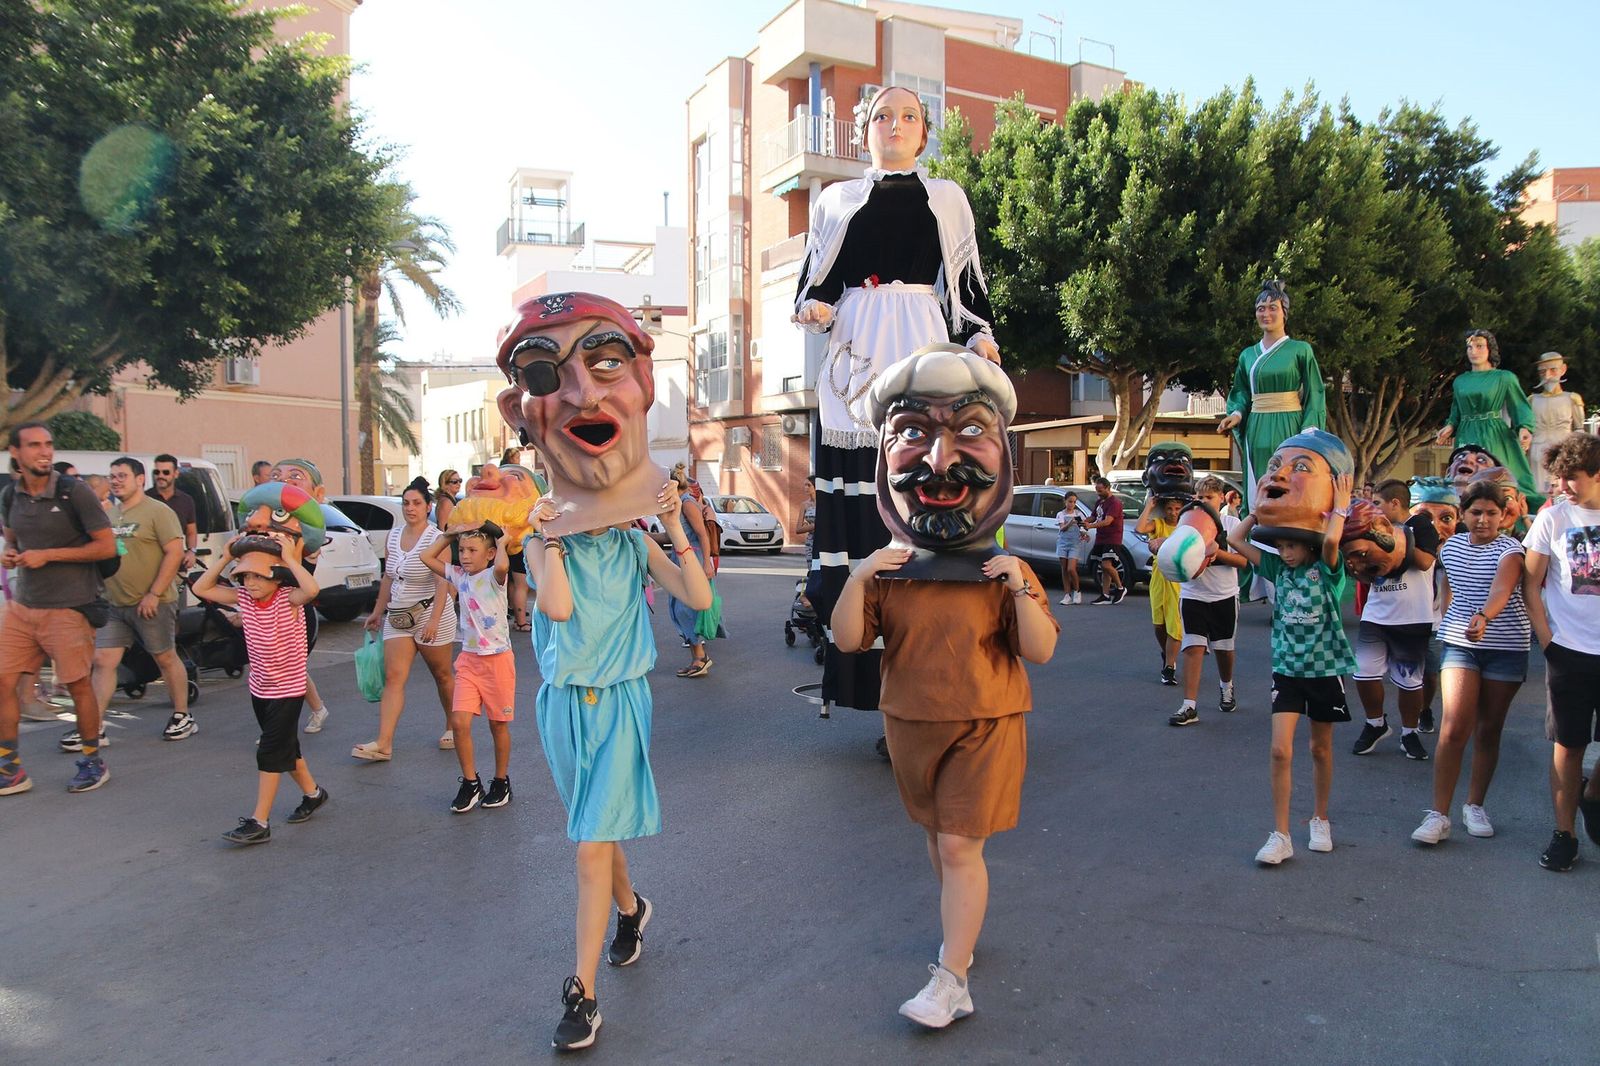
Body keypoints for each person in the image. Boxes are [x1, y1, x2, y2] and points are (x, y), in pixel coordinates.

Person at [832, 343, 1058, 1030]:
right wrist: (860, 575)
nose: (938, 461)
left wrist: (1018, 587)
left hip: (986, 722)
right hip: (910, 722)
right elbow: (848, 640)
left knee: (959, 845)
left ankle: (952, 979)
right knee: (938, 840)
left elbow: (1040, 649)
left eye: (968, 431)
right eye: (911, 432)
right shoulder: (892, 569)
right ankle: (962, 931)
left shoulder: (1004, 570)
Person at [792, 83, 999, 714]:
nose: (896, 124)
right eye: (883, 115)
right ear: (866, 131)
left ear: (924, 133)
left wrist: (980, 335)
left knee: (925, 484)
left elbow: (965, 286)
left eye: (908, 115)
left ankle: (930, 672)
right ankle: (864, 676)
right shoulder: (835, 200)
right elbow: (813, 286)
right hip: (856, 348)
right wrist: (818, 308)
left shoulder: (948, 198)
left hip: (921, 340)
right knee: (861, 504)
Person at [525, 481, 710, 1051]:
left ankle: (582, 995)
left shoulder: (634, 545)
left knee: (590, 843)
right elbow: (558, 607)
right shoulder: (540, 543)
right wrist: (550, 537)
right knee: (596, 830)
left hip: (622, 701)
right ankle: (631, 909)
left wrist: (673, 525)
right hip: (564, 706)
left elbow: (699, 598)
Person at [1225, 432, 1356, 865]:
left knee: (1320, 749)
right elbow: (1236, 541)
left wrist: (1340, 505)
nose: (1285, 551)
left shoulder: (1329, 570)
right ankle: (1280, 834)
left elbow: (1332, 542)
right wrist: (1256, 510)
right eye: (1280, 545)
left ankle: (1320, 818)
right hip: (1288, 670)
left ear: (1308, 543)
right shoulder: (1277, 569)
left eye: (1291, 544)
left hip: (1325, 670)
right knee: (1280, 750)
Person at [0, 423, 118, 795]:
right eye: (34, 445)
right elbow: (13, 539)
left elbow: (107, 547)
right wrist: (11, 554)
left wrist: (48, 555)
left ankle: (93, 762)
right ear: (15, 452)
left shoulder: (73, 492)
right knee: (3, 682)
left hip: (69, 607)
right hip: (23, 607)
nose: (44, 451)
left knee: (77, 685)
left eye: (48, 444)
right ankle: (10, 768)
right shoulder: (10, 494)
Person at [1409, 479, 1529, 847]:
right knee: (1453, 726)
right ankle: (1438, 814)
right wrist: (1450, 620)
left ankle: (1474, 805)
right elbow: (1448, 586)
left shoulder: (1511, 550)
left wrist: (1485, 616)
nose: (1483, 520)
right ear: (1463, 514)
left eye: (1492, 513)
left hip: (1506, 646)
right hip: (1461, 643)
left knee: (1489, 728)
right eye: (1476, 512)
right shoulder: (1451, 548)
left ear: (1503, 516)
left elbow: (1502, 589)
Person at [193, 534, 327, 844]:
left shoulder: (288, 598)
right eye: (245, 576)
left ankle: (259, 821)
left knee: (269, 752)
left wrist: (289, 558)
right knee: (285, 748)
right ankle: (313, 794)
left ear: (276, 577)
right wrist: (226, 558)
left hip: (288, 690)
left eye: (258, 576)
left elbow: (312, 590)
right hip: (260, 688)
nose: (250, 583)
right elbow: (201, 588)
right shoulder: (243, 599)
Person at [1520, 432, 1600, 872]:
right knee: (1568, 745)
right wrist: (1547, 639)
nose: (1564, 486)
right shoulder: (1553, 518)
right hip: (1569, 650)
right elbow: (1530, 582)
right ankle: (1564, 834)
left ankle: (1593, 792)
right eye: (1560, 477)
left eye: (1573, 477)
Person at [88, 456, 194, 746]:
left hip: (152, 602)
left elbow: (174, 552)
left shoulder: (158, 511)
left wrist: (154, 593)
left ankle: (182, 715)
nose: (115, 481)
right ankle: (93, 727)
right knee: (103, 660)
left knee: (164, 657)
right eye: (112, 476)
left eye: (122, 475)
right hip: (114, 604)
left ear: (139, 480)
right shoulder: (109, 516)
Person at [351, 479, 455, 762]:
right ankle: (384, 743)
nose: (411, 508)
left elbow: (443, 582)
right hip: (398, 615)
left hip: (431, 613)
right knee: (394, 677)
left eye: (417, 503)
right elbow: (388, 577)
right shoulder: (394, 535)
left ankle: (453, 726)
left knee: (442, 675)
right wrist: (377, 611)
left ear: (428, 507)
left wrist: (434, 620)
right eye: (406, 503)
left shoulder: (437, 538)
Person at [1344, 481, 1440, 761]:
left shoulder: (1420, 525)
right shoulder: (1368, 527)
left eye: (1377, 503)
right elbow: (1367, 575)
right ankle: (1375, 723)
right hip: (1376, 614)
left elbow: (1425, 562)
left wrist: (1392, 541)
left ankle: (1409, 732)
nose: (1373, 508)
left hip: (1412, 617)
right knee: (1364, 673)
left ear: (1395, 503)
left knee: (1409, 682)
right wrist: (1358, 565)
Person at [422, 522, 513, 812]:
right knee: (459, 723)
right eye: (461, 550)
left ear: (489, 554)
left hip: (497, 660)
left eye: (472, 550)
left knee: (498, 724)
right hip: (469, 660)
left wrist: (503, 541)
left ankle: (501, 781)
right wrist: (448, 536)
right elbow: (426, 557)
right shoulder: (459, 576)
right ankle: (471, 783)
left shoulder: (494, 577)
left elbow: (503, 566)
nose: (465, 555)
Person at [1217, 280, 1327, 518]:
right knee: (1259, 478)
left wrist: (1309, 430)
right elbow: (1241, 391)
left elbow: (1315, 392)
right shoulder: (1248, 355)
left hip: (1290, 422)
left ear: (1284, 312)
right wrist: (1236, 414)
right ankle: (1256, 531)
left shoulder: (1300, 350)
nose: (1266, 313)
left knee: (1288, 476)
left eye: (1272, 307)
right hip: (1256, 424)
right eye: (1260, 308)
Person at [1167, 477, 1245, 726]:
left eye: (1209, 497)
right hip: (1193, 594)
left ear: (1221, 498)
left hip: (1224, 595)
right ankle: (1189, 706)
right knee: (1193, 647)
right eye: (1199, 497)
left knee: (1224, 649)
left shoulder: (1232, 524)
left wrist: (1217, 552)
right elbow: (1174, 554)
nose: (1203, 502)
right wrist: (1159, 547)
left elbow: (1244, 561)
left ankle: (1226, 686)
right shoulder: (1187, 523)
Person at [267, 459, 336, 734]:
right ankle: (317, 709)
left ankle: (278, 731)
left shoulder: (309, 529)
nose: (284, 480)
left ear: (318, 493)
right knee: (282, 669)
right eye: (276, 476)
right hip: (266, 610)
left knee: (288, 671)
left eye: (295, 476)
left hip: (294, 610)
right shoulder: (266, 523)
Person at [1435, 330, 1539, 504]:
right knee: (1464, 473)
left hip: (1493, 432)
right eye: (1470, 347)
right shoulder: (1460, 381)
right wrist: (1450, 426)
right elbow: (1456, 409)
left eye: (1479, 346)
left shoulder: (1504, 378)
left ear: (1490, 349)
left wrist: (1524, 427)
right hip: (1466, 433)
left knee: (1494, 473)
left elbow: (1519, 405)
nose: (1473, 351)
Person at [1409, 478, 1461, 734]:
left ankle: (1424, 709)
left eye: (1446, 518)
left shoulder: (1459, 552)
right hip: (1405, 621)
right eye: (1424, 517)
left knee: (1430, 674)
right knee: (1407, 675)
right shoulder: (1400, 547)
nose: (1435, 527)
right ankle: (1407, 724)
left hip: (1436, 625)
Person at [667, 466, 714, 677]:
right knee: (678, 607)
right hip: (680, 557)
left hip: (692, 558)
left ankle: (700, 658)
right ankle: (697, 657)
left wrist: (707, 564)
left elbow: (703, 535)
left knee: (686, 609)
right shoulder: (678, 503)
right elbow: (673, 536)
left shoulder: (687, 504)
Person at [1136, 495, 1185, 682]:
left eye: (1177, 509)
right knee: (1159, 623)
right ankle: (1167, 653)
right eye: (1170, 509)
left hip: (1178, 578)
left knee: (1175, 623)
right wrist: (1149, 506)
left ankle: (1169, 667)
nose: (1173, 513)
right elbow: (1140, 528)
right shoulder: (1158, 524)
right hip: (1159, 577)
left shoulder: (1185, 527)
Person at [1528, 352, 1586, 496]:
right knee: (1538, 490)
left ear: (1563, 369)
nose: (1547, 375)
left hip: (1564, 449)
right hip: (1537, 450)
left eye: (1553, 370)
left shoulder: (1572, 399)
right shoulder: (1532, 400)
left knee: (1563, 489)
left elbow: (1579, 429)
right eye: (1542, 371)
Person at [149, 454, 198, 573]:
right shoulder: (145, 498)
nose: (160, 476)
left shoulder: (186, 500)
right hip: (149, 568)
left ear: (176, 474)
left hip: (177, 568)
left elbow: (191, 531)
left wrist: (191, 551)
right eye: (157, 472)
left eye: (166, 472)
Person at [1085, 477, 1128, 604]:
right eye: (1096, 490)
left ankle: (1120, 587)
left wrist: (1090, 526)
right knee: (1103, 567)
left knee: (1106, 564)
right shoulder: (1100, 502)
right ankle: (1105, 594)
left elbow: (1108, 521)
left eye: (1100, 490)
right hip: (1101, 537)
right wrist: (1084, 521)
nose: (1098, 493)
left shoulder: (1115, 503)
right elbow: (1094, 516)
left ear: (1108, 488)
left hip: (1112, 538)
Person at [1055, 491, 1090, 605]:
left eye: (1074, 502)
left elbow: (1083, 528)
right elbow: (1062, 528)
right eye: (1070, 501)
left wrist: (1085, 534)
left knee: (1071, 568)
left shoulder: (1079, 514)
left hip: (1074, 544)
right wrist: (1070, 522)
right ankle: (1067, 594)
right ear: (1065, 501)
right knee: (1064, 569)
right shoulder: (1060, 514)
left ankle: (1077, 590)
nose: (1072, 504)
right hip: (1063, 543)